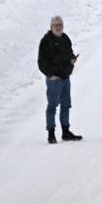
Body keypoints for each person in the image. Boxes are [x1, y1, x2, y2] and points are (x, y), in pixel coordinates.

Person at [38, 15, 81, 144]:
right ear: (51, 27)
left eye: (60, 25)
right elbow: (41, 62)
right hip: (54, 80)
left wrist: (72, 60)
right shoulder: (46, 41)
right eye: (55, 25)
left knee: (66, 105)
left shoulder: (65, 38)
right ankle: (51, 134)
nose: (58, 27)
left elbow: (69, 53)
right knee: (52, 105)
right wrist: (50, 75)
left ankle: (66, 132)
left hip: (65, 77)